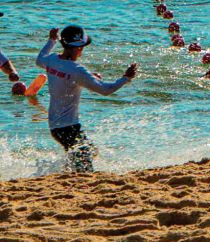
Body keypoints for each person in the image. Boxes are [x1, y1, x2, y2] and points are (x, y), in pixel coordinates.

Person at [34, 26, 137, 172]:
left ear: (63, 44)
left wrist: (51, 41)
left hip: (55, 126)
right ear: (79, 48)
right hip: (69, 127)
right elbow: (105, 90)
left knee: (90, 151)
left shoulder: (51, 60)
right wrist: (126, 78)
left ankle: (62, 171)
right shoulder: (77, 70)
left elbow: (40, 59)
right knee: (86, 162)